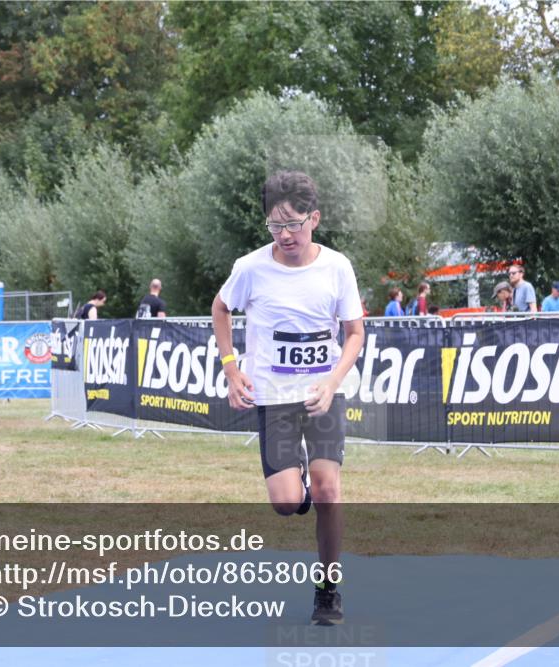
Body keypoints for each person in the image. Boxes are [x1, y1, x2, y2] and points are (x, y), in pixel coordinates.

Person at [211, 170, 364, 626]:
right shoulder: (251, 267)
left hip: (321, 396)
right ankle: (299, 490)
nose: (285, 235)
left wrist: (333, 381)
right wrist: (231, 367)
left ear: (313, 219)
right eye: (275, 226)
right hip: (274, 397)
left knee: (328, 490)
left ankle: (327, 588)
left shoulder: (336, 267)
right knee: (283, 501)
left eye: (294, 223)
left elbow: (354, 333)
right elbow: (220, 310)